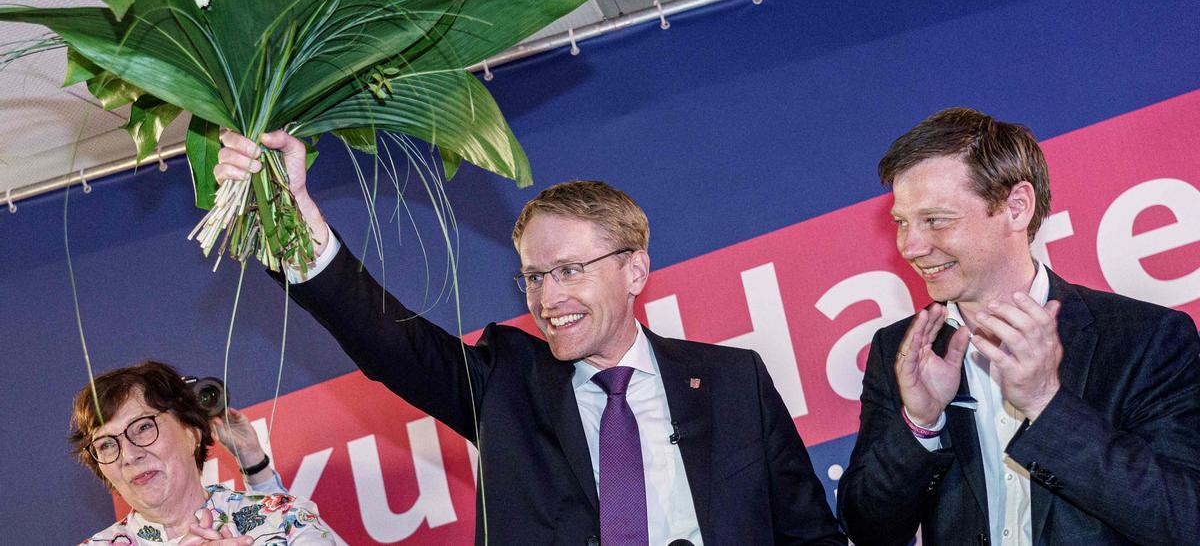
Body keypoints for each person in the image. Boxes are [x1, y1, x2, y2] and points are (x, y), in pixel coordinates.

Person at [216, 130, 845, 545]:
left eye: (569, 271)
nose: (548, 298)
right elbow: (387, 342)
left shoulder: (735, 380)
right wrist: (293, 214)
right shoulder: (506, 383)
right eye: (535, 277)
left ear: (635, 270)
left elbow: (808, 533)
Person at [837, 108, 1200, 545]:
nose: (911, 246)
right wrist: (920, 424)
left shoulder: (1147, 338)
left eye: (936, 220)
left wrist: (1047, 404)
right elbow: (867, 530)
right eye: (902, 222)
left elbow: (1185, 520)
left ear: (1016, 207)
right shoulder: (901, 349)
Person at [70, 361, 337, 545]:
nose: (128, 455)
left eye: (143, 428)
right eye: (106, 444)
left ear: (192, 432)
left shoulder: (286, 520)